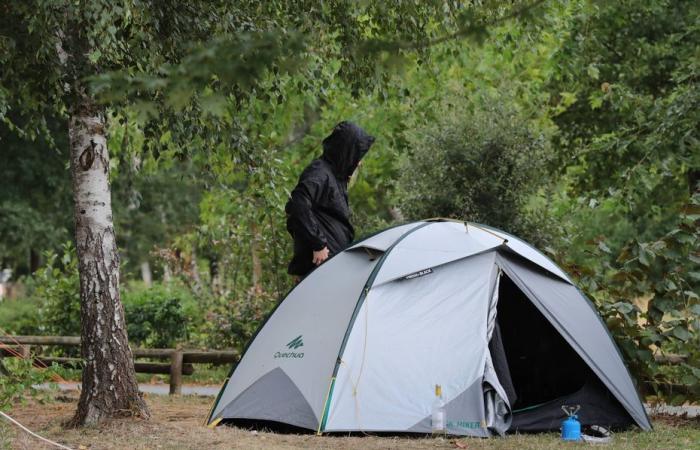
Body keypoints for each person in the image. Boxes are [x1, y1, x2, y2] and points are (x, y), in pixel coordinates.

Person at [285, 121, 375, 278]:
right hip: (318, 269)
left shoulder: (335, 177)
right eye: (357, 156)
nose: (359, 162)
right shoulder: (320, 173)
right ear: (346, 152)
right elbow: (297, 204)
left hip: (331, 268)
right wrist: (318, 244)